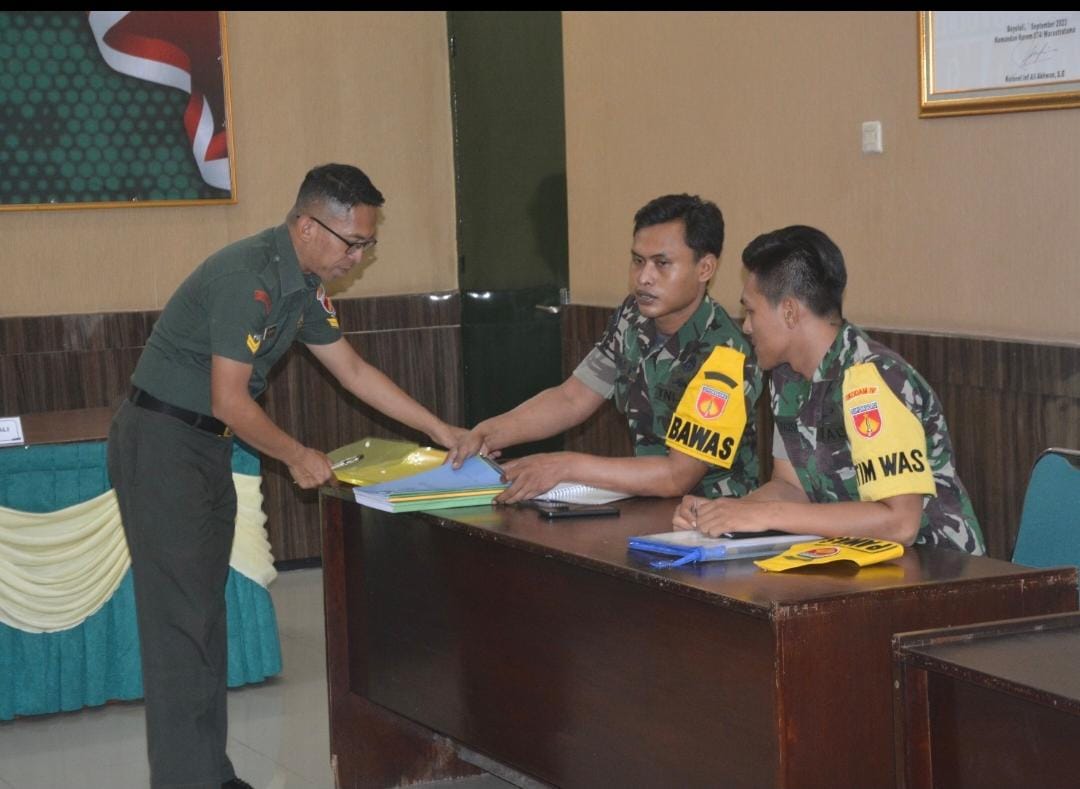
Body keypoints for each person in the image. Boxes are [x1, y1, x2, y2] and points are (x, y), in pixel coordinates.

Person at [107, 163, 464, 789]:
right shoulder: (249, 278)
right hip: (162, 443)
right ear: (307, 227)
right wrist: (297, 455)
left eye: (368, 244)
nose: (359, 257)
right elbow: (230, 399)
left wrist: (440, 430)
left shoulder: (302, 285)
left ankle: (208, 774)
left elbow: (353, 371)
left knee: (202, 617)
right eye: (353, 243)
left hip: (204, 447)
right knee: (179, 627)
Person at [674, 225, 984, 553]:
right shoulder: (786, 376)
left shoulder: (872, 378)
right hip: (855, 560)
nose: (746, 326)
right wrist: (723, 513)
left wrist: (767, 514)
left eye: (751, 311)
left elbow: (900, 524)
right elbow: (791, 487)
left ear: (790, 312)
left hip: (935, 564)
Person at [448, 194, 762, 502]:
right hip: (650, 505)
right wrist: (489, 432)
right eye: (638, 261)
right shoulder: (633, 317)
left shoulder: (727, 354)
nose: (644, 278)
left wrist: (565, 466)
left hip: (714, 518)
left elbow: (676, 476)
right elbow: (572, 397)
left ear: (705, 268)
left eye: (662, 263)